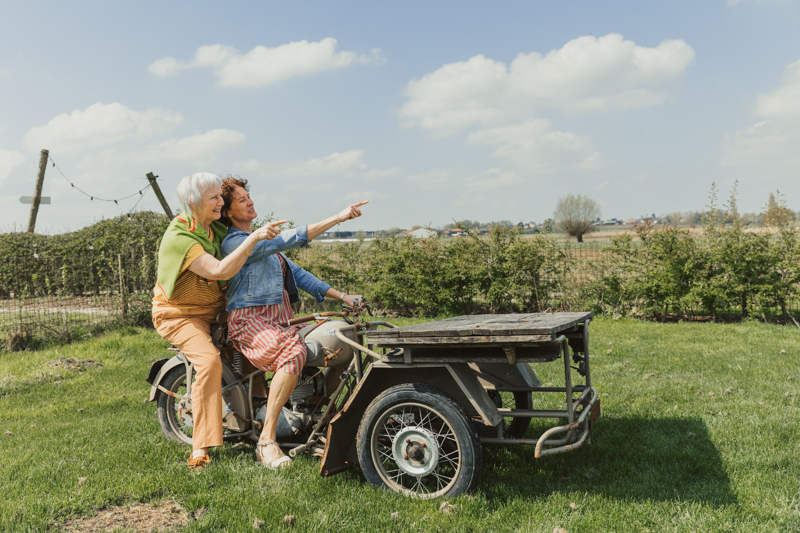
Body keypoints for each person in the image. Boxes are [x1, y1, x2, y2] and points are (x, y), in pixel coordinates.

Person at [219, 176, 367, 468]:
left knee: (344, 339)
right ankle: (266, 440)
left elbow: (301, 276)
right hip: (250, 322)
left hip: (279, 321)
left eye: (248, 196)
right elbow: (290, 238)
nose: (249, 201)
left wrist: (344, 297)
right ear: (227, 212)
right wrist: (339, 217)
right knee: (292, 352)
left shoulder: (267, 248)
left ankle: (314, 414)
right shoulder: (236, 243)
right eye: (241, 200)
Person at [152, 172, 285, 470]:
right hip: (180, 315)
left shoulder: (215, 229)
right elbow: (219, 270)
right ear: (193, 203)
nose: (220, 202)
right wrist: (254, 238)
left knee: (254, 344)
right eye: (213, 197)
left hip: (216, 311)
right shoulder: (180, 238)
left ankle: (259, 414)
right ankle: (200, 447)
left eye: (219, 196)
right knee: (209, 362)